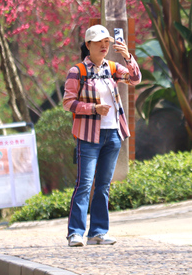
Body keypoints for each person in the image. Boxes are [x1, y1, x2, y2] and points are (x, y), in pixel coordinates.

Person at [63, 24, 141, 247]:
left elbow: (135, 79)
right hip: (88, 137)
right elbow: (68, 102)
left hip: (113, 134)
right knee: (84, 184)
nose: (104, 46)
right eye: (99, 43)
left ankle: (98, 232)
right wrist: (93, 109)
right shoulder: (77, 71)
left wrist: (127, 57)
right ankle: (75, 233)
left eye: (106, 42)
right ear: (88, 45)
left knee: (104, 185)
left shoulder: (114, 68)